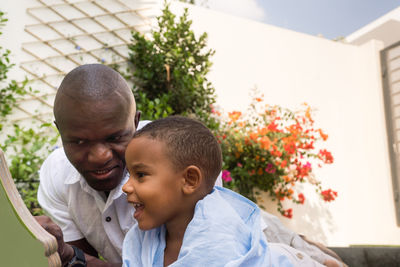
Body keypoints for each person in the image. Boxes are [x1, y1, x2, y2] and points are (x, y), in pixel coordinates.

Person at [36, 64, 343, 267]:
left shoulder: (178, 161)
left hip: (256, 240)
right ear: (60, 132)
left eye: (116, 137)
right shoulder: (56, 175)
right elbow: (81, 261)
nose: (100, 155)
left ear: (136, 122)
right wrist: (63, 252)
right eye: (78, 142)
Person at [122, 115, 326, 266]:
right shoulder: (142, 240)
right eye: (128, 174)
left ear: (189, 180)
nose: (126, 186)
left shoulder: (219, 237)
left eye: (140, 175)